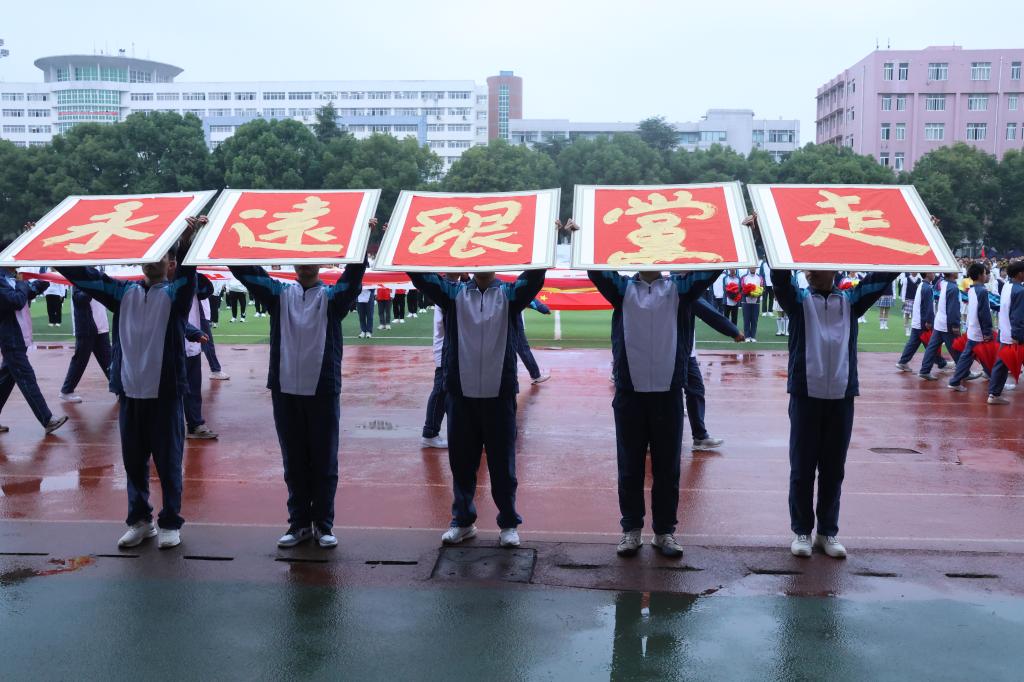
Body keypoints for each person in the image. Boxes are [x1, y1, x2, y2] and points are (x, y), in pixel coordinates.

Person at [57, 218, 202, 549]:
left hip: (165, 394)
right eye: (147, 255)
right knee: (134, 463)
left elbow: (189, 274)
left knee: (168, 463)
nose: (152, 261)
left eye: (161, 256)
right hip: (130, 392)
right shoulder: (123, 293)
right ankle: (140, 521)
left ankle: (170, 522)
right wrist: (49, 246)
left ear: (171, 263)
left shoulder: (176, 295)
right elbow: (84, 276)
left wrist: (187, 241)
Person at [229, 249, 368, 550]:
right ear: (294, 261)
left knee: (324, 460)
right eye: (301, 258)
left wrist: (361, 244)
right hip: (285, 388)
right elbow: (247, 273)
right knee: (293, 461)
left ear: (320, 262)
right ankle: (299, 524)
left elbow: (353, 278)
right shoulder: (279, 294)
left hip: (323, 388)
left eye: (311, 259)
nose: (305, 264)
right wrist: (223, 242)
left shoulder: (332, 298)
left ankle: (324, 525)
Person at [586, 261, 721, 559]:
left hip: (668, 391)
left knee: (667, 467)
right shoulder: (621, 288)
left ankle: (664, 531)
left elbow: (711, 269)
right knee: (630, 465)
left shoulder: (679, 289)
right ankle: (631, 529)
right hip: (629, 392)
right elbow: (595, 268)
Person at [409, 268, 546, 549]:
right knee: (461, 463)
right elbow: (423, 278)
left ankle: (508, 523)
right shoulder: (453, 294)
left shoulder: (509, 294)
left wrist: (544, 252)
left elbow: (533, 278)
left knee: (503, 465)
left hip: (500, 394)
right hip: (461, 394)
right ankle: (462, 521)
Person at [772, 263, 898, 560]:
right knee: (802, 468)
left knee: (833, 469)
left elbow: (883, 274)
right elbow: (779, 279)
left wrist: (912, 244)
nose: (810, 273)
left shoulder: (850, 301)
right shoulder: (799, 301)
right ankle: (802, 531)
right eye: (806, 269)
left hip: (841, 395)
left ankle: (827, 531)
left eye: (817, 268)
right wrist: (773, 244)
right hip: (806, 394)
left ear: (834, 269)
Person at [0, 267, 68, 435]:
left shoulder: (10, 279)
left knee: (5, 381)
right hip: (11, 339)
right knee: (27, 377)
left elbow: (27, 293)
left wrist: (43, 280)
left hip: (18, 337)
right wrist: (22, 283)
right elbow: (16, 300)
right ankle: (47, 419)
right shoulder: (3, 281)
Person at [688, 298, 745, 451]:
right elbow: (707, 311)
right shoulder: (682, 289)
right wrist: (732, 330)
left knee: (694, 391)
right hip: (675, 352)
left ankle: (699, 437)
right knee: (668, 395)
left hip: (683, 352)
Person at [420, 275, 462, 449]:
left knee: (447, 391)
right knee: (440, 391)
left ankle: (433, 431)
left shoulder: (449, 288)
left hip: (449, 349)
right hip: (446, 349)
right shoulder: (447, 291)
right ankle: (430, 432)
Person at [58, 284, 112, 403]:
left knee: (109, 360)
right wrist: (93, 287)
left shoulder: (99, 279)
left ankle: (118, 389)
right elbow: (80, 298)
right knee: (80, 361)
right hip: (86, 328)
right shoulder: (78, 282)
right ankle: (66, 391)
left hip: (101, 326)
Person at [948, 262, 991, 392]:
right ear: (980, 275)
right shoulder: (982, 291)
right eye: (985, 273)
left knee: (974, 357)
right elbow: (984, 313)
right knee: (985, 356)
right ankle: (996, 382)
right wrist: (987, 332)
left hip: (973, 329)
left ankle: (995, 379)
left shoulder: (972, 289)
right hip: (979, 331)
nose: (986, 275)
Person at [987, 260, 1024, 405]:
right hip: (1013, 334)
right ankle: (994, 394)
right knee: (1001, 365)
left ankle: (994, 394)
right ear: (1020, 274)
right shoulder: (1019, 290)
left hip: (1006, 331)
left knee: (1001, 364)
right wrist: (1016, 335)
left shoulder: (1007, 286)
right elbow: (1017, 316)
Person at [896, 272, 948, 373]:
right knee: (931, 346)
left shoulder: (922, 285)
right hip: (922, 322)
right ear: (928, 274)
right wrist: (928, 321)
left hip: (918, 321)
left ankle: (903, 362)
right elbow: (928, 306)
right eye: (932, 272)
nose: (934, 274)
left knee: (913, 344)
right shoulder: (927, 288)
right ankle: (941, 364)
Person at [918, 272, 962, 380]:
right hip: (947, 323)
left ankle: (924, 370)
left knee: (932, 348)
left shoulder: (942, 283)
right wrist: (955, 324)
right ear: (952, 273)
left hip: (939, 321)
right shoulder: (953, 287)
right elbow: (953, 308)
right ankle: (964, 371)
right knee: (956, 348)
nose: (958, 272)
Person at [197, 274, 229, 381]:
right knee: (207, 341)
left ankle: (215, 369)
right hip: (198, 314)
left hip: (200, 313)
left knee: (205, 342)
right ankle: (215, 370)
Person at [513, 298, 551, 385]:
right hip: (514, 323)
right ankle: (535, 375)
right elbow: (529, 298)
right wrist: (543, 308)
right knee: (523, 349)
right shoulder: (511, 291)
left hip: (497, 323)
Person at [740, 267, 762, 342]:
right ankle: (747, 336)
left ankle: (753, 336)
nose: (753, 269)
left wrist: (757, 294)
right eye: (751, 267)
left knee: (754, 319)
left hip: (756, 301)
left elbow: (762, 288)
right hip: (746, 301)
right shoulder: (744, 277)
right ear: (749, 268)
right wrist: (748, 294)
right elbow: (741, 289)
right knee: (746, 319)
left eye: (754, 267)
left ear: (756, 268)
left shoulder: (760, 277)